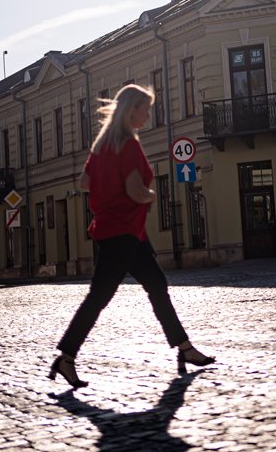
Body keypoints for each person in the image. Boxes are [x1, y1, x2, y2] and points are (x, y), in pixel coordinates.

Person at [50, 84, 215, 389]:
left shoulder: (101, 147)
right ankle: (66, 357)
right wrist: (153, 196)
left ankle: (184, 348)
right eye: (145, 108)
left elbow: (85, 182)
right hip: (122, 232)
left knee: (156, 284)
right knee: (99, 297)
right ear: (131, 110)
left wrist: (108, 187)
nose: (148, 115)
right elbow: (136, 191)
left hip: (122, 231)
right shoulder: (128, 146)